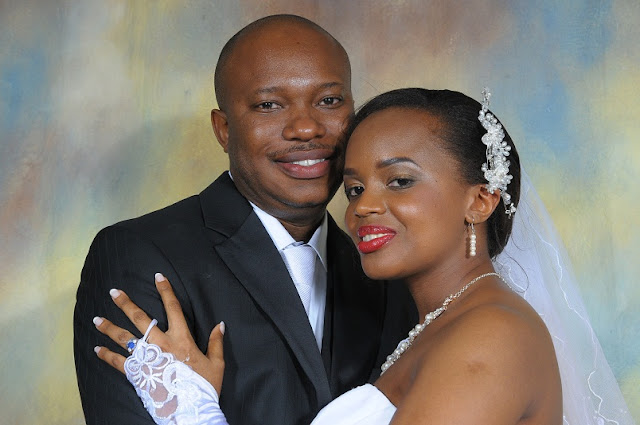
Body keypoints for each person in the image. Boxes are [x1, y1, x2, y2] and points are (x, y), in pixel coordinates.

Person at [94, 88, 635, 425]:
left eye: (399, 181)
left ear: (480, 200)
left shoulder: (494, 334)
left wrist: (193, 413)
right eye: (353, 189)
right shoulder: (439, 325)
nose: (363, 208)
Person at [73, 15, 416, 425]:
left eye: (328, 101)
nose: (307, 128)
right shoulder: (141, 255)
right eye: (269, 105)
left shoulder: (385, 271)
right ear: (223, 130)